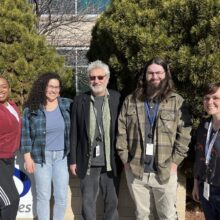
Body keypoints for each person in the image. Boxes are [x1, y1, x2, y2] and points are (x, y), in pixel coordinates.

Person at [116, 57, 192, 220]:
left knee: (168, 215)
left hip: (165, 171)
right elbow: (121, 131)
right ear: (144, 75)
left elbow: (184, 134)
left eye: (159, 72)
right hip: (136, 170)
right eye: (150, 73)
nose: (155, 76)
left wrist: (174, 162)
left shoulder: (177, 101)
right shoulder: (131, 100)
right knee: (142, 215)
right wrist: (125, 160)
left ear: (166, 74)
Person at [69, 60, 122, 220]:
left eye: (100, 77)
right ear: (88, 79)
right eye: (92, 77)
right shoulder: (80, 100)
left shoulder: (117, 98)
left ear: (107, 78)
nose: (96, 81)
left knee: (112, 202)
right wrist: (73, 160)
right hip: (88, 162)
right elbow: (74, 132)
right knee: (87, 203)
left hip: (111, 161)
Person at [20, 72, 72, 220]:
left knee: (61, 196)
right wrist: (27, 157)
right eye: (50, 86)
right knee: (43, 196)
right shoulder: (31, 109)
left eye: (56, 87)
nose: (53, 90)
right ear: (43, 87)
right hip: (41, 158)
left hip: (61, 157)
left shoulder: (67, 104)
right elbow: (25, 135)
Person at [192, 82, 220, 220]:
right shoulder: (204, 126)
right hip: (206, 189)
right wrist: (196, 185)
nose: (210, 102)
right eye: (206, 98)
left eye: (215, 98)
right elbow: (199, 157)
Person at [0, 76, 21, 220]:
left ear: (9, 88)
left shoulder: (12, 105)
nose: (1, 90)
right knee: (11, 201)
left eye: (4, 86)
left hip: (8, 160)